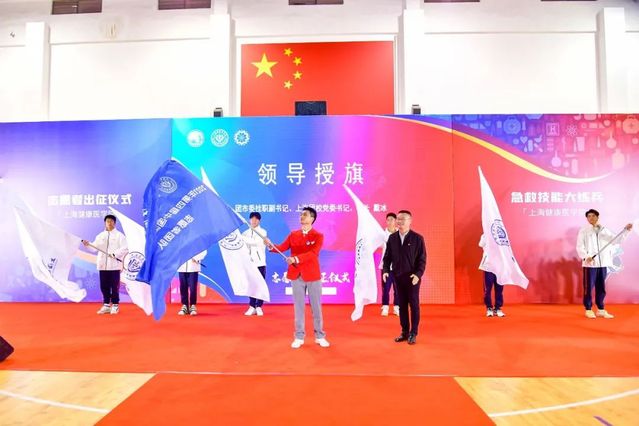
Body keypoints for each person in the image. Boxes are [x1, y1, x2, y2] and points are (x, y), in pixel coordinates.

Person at [265, 207, 329, 349]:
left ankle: (320, 336)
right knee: (298, 307)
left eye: (305, 215)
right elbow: (282, 247)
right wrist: (270, 245)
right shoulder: (293, 234)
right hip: (296, 275)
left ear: (312, 218)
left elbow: (313, 253)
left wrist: (295, 259)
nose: (302, 217)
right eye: (301, 215)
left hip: (312, 276)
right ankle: (299, 336)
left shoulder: (318, 236)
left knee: (316, 308)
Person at [576, 209, 632, 319]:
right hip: (590, 264)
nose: (591, 218)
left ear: (598, 217)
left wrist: (626, 231)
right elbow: (579, 246)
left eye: (593, 216)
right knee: (588, 288)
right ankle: (588, 309)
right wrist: (586, 256)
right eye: (588, 216)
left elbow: (616, 240)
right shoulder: (584, 231)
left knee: (601, 287)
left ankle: (601, 309)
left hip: (603, 263)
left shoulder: (604, 230)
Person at [382, 210, 426, 345]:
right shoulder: (392, 238)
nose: (399, 222)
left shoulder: (417, 239)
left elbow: (422, 260)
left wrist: (418, 274)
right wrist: (385, 270)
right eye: (398, 219)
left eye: (403, 219)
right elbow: (387, 257)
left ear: (410, 221)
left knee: (414, 305)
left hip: (412, 278)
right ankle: (405, 332)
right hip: (398, 277)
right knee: (401, 305)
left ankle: (413, 333)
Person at [82, 214, 128, 315]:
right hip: (103, 266)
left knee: (114, 287)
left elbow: (125, 248)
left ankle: (115, 305)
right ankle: (106, 305)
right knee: (104, 286)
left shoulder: (119, 236)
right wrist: (88, 245)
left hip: (114, 266)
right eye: (108, 221)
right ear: (105, 223)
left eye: (111, 221)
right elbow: (94, 248)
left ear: (114, 223)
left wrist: (115, 254)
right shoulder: (100, 236)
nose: (109, 223)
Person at [242, 212, 268, 316]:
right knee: (251, 286)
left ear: (259, 221)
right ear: (249, 220)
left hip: (260, 263)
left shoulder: (263, 232)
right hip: (249, 264)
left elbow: (255, 242)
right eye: (252, 218)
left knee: (260, 285)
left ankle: (259, 307)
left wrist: (241, 238)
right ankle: (252, 306)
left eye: (256, 219)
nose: (254, 220)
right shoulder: (245, 233)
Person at [479, 234, 505, 318]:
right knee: (488, 289)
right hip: (488, 267)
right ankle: (489, 308)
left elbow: (505, 248)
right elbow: (481, 244)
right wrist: (487, 235)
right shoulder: (485, 235)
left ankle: (498, 308)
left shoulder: (501, 235)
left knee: (499, 289)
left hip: (499, 267)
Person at [379, 212, 399, 316]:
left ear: (395, 221)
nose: (390, 222)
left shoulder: (400, 234)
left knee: (398, 289)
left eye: (392, 219)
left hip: (398, 267)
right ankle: (385, 307)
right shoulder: (382, 235)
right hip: (386, 266)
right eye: (388, 220)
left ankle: (397, 307)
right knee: (386, 288)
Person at [176, 251, 207, 316]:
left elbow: (203, 249)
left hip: (193, 266)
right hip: (181, 266)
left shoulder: (197, 243)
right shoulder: (178, 243)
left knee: (193, 288)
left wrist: (196, 258)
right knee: (183, 287)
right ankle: (185, 306)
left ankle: (193, 306)